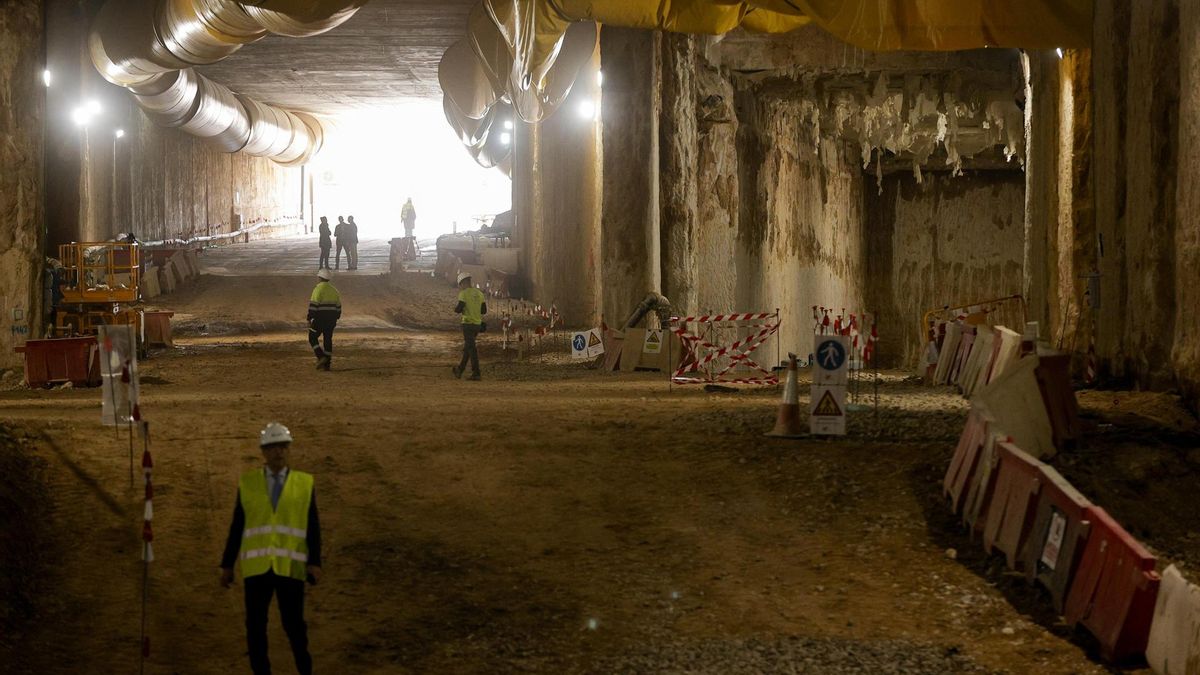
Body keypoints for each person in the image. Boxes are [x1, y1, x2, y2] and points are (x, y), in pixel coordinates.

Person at [220, 422, 322, 675]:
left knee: (295, 627)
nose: (279, 452)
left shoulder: (304, 484)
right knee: (255, 628)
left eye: (283, 447)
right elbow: (238, 525)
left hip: (291, 567)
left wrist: (315, 561)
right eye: (273, 447)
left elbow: (313, 525)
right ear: (263, 452)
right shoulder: (248, 484)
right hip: (258, 569)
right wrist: (227, 564)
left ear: (289, 450)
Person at [452, 271, 486, 381]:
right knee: (468, 347)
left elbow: (459, 308)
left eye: (460, 285)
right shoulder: (480, 293)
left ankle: (476, 372)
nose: (460, 287)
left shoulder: (463, 294)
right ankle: (460, 369)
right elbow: (483, 310)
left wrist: (456, 309)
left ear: (463, 283)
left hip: (467, 324)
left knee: (471, 349)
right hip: (477, 325)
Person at [307, 268, 341, 371]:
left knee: (312, 337)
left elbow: (313, 306)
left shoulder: (318, 289)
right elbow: (338, 307)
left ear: (319, 278)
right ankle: (327, 365)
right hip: (331, 320)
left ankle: (321, 357)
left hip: (320, 319)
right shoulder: (334, 290)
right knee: (327, 339)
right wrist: (336, 317)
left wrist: (309, 318)